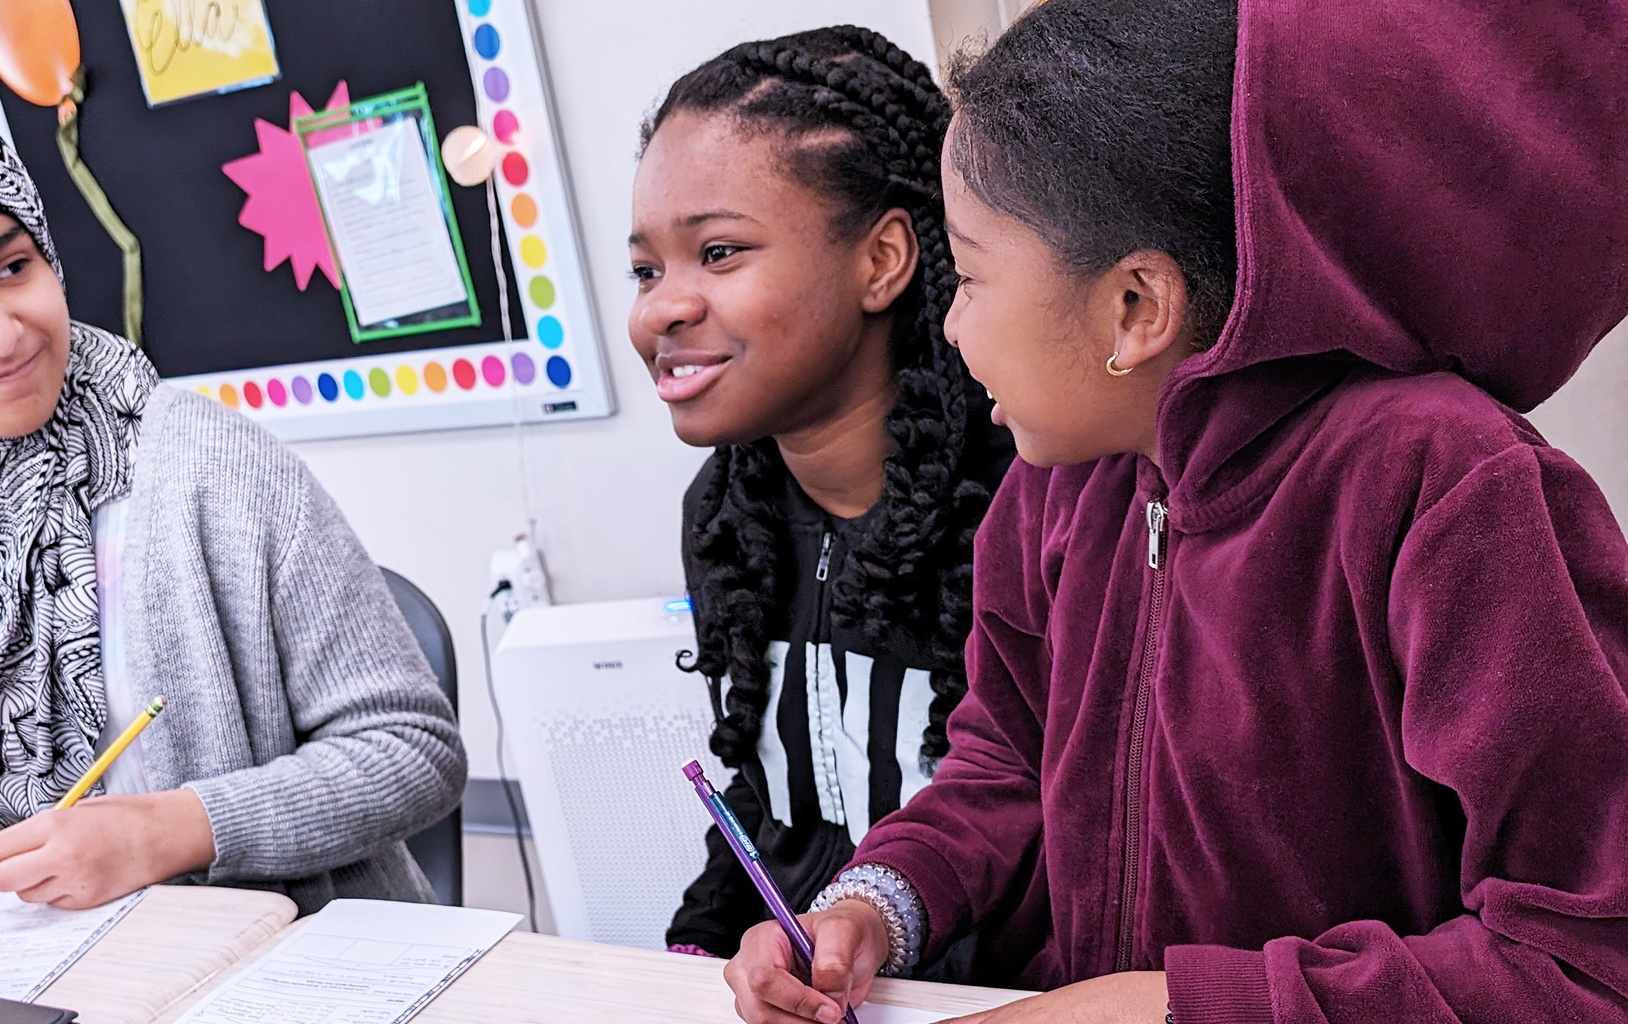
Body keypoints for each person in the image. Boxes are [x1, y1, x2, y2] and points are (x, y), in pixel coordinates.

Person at [723, 0, 1628, 1021]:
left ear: (1137, 308)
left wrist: (1166, 1005)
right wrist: (876, 903)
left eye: (970, 276)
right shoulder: (1053, 492)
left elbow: (1582, 962)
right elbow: (1003, 765)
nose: (953, 325)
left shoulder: (1452, 489)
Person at [0, 74, 467, 924]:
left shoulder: (205, 462)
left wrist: (180, 829)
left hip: (298, 968)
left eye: (13, 266)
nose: (1, 329)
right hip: (85, 976)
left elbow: (412, 750)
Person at [628, 26, 1015, 963]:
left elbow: (1036, 816)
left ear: (881, 261)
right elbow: (767, 814)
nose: (659, 309)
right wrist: (692, 959)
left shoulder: (1027, 507)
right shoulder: (728, 517)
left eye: (718, 252)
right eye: (646, 269)